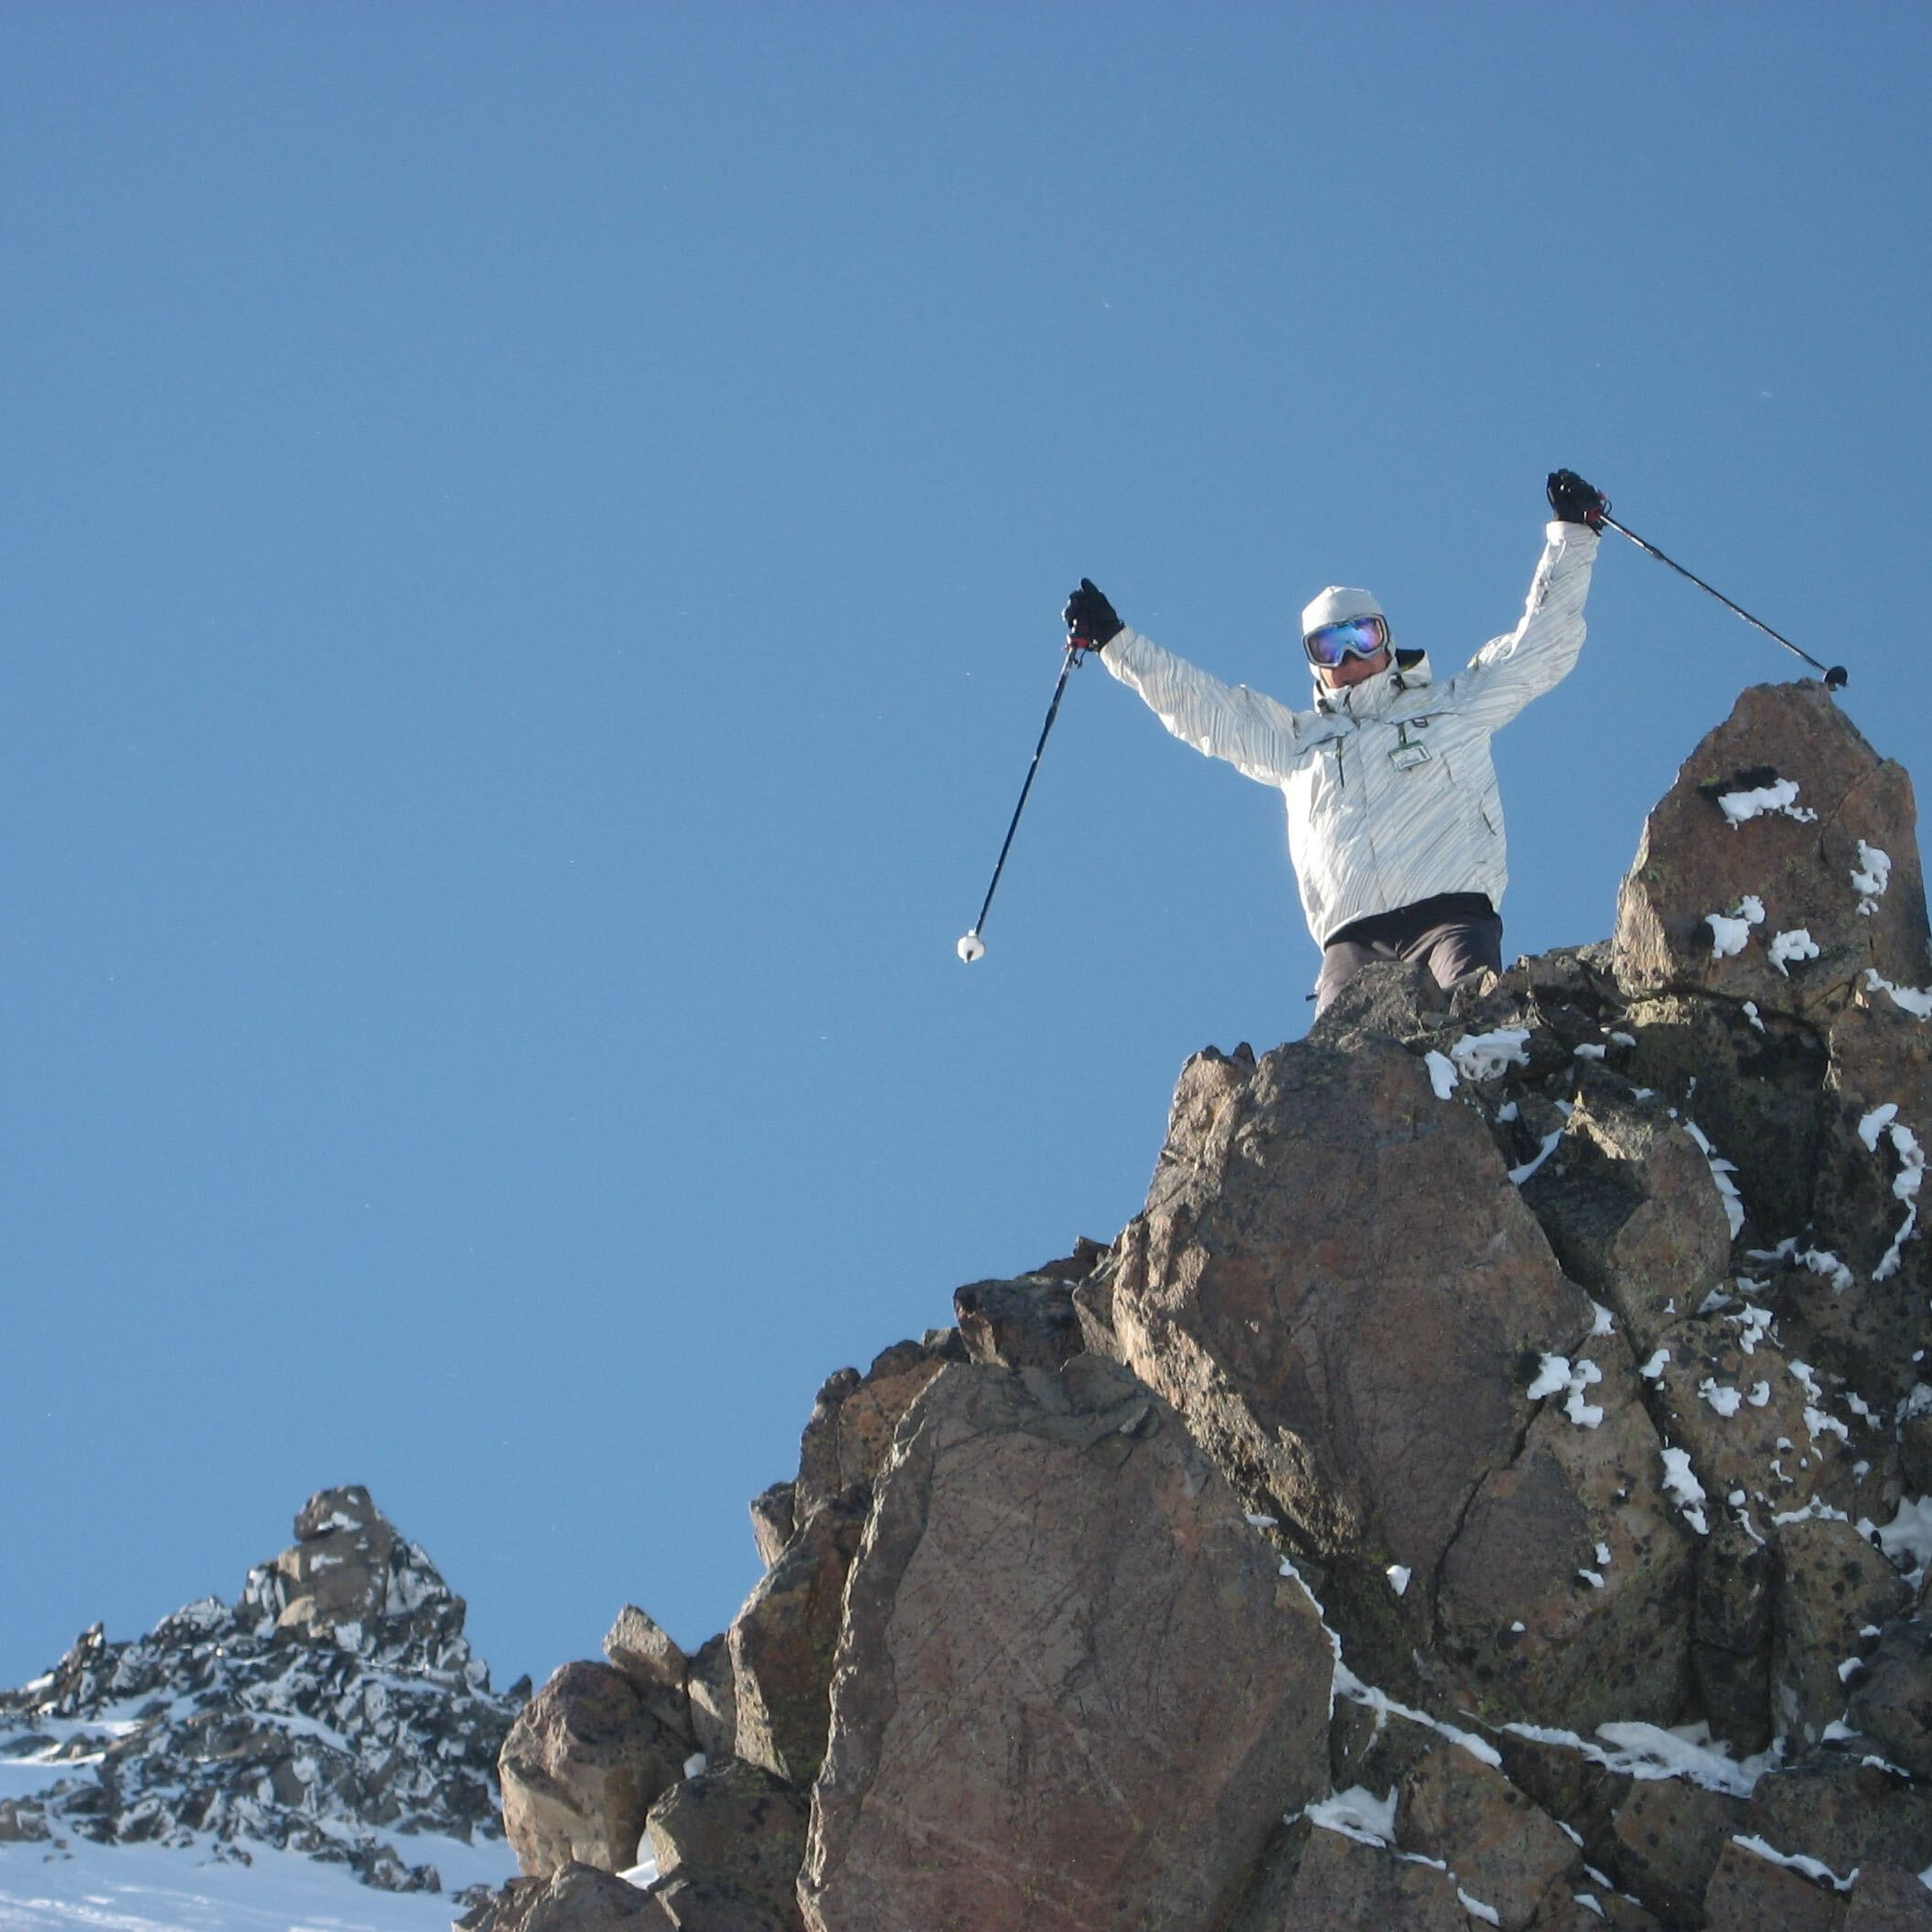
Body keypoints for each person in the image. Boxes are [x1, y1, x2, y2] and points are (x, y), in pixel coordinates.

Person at [1064, 470, 1607, 1014]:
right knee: (1337, 1070)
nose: (1349, 658)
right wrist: (1116, 643)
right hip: (1353, 940)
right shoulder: (1297, 747)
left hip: (1451, 914)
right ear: (1314, 666)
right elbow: (1201, 707)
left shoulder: (1452, 707)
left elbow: (1539, 647)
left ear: (1387, 641)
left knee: (1477, 1030)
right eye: (1330, 647)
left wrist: (1572, 535)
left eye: (1362, 636)